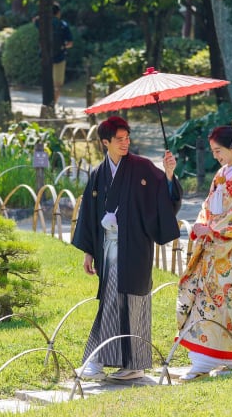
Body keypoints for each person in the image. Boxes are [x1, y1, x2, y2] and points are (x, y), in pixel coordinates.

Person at [71, 115, 181, 381]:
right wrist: (89, 251)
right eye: (119, 139)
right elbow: (89, 214)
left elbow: (164, 201)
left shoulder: (143, 168)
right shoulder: (98, 174)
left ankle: (115, 363)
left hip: (135, 247)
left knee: (133, 301)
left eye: (127, 138)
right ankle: (117, 362)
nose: (125, 143)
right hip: (108, 248)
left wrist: (168, 175)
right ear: (105, 142)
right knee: (111, 300)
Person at [175, 126, 232, 381]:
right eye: (215, 151)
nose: (217, 156)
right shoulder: (221, 173)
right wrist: (201, 226)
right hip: (212, 247)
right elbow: (208, 206)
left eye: (219, 151)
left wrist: (213, 229)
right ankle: (203, 361)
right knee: (205, 302)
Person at [34, 3, 73, 107]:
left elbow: (34, 20)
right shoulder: (63, 24)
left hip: (45, 57)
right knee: (57, 85)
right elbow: (70, 43)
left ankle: (45, 105)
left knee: (47, 82)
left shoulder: (42, 23)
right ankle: (53, 105)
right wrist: (63, 46)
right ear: (59, 12)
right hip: (59, 57)